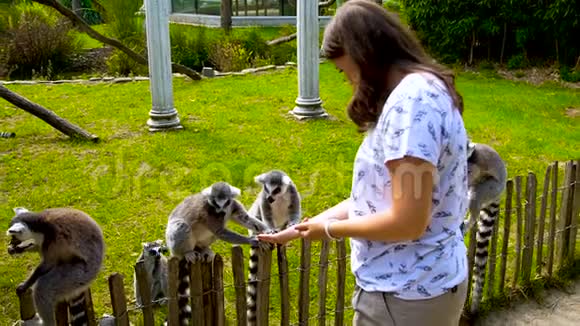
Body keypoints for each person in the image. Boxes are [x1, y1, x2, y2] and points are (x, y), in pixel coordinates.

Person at [258, 1, 470, 325]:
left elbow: (408, 222)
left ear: (363, 55)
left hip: (405, 295)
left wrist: (329, 230)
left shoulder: (411, 104)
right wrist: (299, 230)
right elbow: (378, 199)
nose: (348, 81)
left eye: (345, 71)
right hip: (422, 286)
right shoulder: (420, 89)